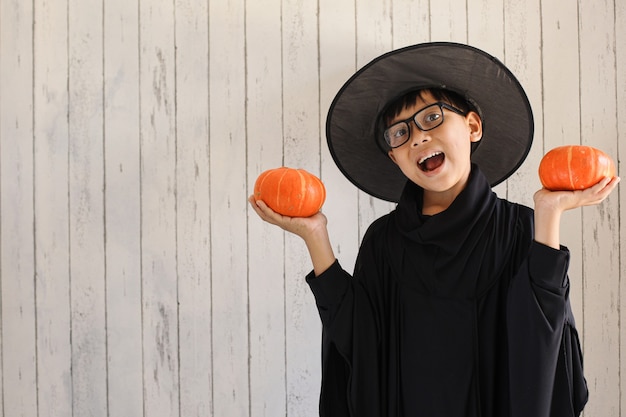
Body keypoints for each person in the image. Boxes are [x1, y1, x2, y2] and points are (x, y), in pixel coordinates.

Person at [248, 42, 620, 417]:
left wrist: (549, 214)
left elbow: (542, 345)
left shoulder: (522, 228)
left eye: (431, 118)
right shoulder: (384, 240)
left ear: (472, 126)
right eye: (400, 133)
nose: (417, 138)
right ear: (394, 157)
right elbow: (360, 342)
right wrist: (315, 234)